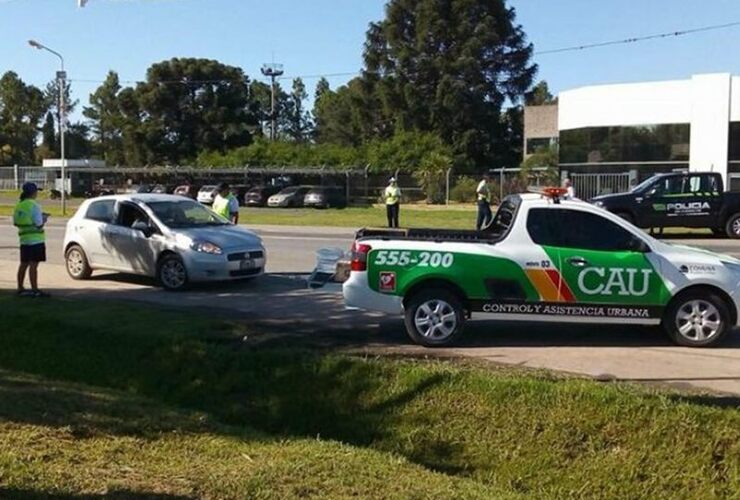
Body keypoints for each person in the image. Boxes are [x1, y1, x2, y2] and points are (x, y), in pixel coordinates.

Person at [13, 183, 49, 297]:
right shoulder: (34, 205)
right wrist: (44, 218)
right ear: (33, 193)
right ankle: (35, 289)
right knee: (34, 265)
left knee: (23, 264)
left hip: (24, 240)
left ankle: (20, 287)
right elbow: (38, 224)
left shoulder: (19, 205)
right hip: (36, 240)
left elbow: (15, 222)